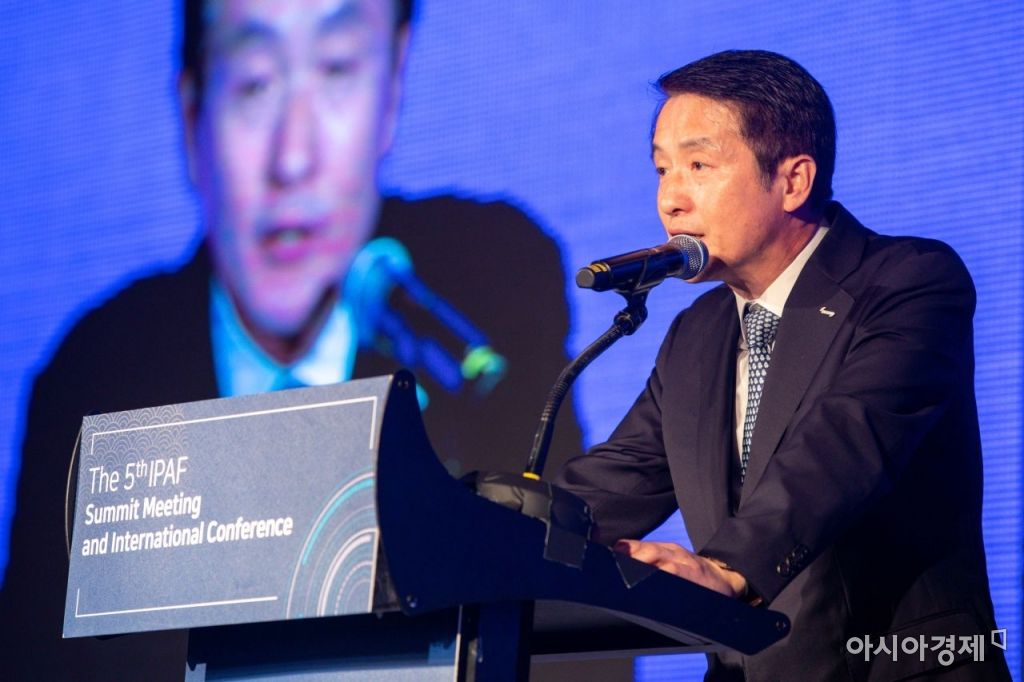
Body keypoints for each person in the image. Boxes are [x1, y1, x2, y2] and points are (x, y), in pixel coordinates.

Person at [0, 0, 581, 678]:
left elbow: (567, 616)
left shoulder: (486, 291)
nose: (294, 157)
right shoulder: (94, 373)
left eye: (336, 70)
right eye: (253, 83)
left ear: (392, 87)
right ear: (192, 117)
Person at [556, 50, 1010, 681]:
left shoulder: (908, 281)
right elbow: (621, 477)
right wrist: (483, 528)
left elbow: (847, 442)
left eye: (698, 165)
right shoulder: (699, 332)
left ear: (794, 180)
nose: (671, 200)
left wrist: (727, 569)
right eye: (662, 170)